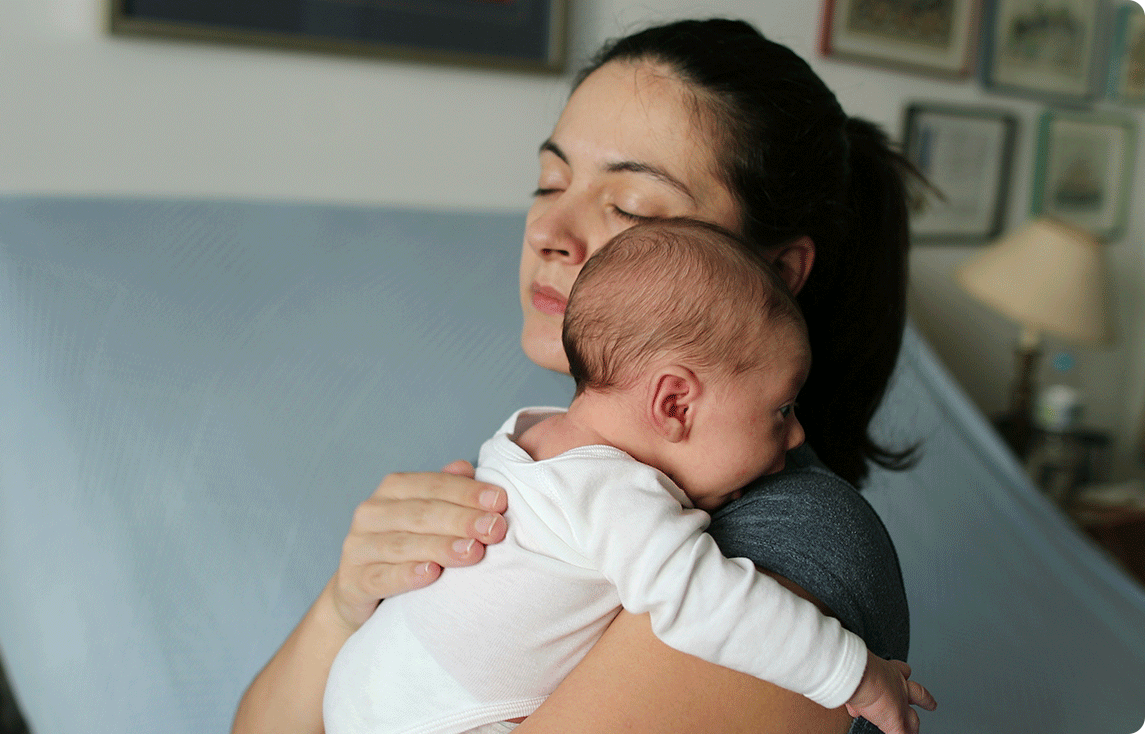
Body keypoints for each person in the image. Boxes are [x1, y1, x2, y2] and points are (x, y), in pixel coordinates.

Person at [234, 17, 925, 734]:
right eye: (550, 182)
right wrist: (345, 606)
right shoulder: (538, 469)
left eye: (630, 205)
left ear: (776, 271)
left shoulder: (786, 552)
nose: (547, 232)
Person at [322, 219, 933, 734]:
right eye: (782, 409)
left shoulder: (526, 436)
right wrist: (855, 674)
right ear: (675, 404)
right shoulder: (614, 496)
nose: (797, 436)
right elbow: (712, 606)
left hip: (363, 682)